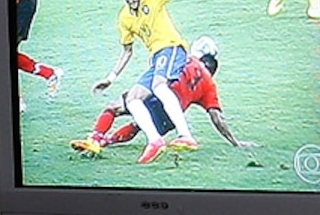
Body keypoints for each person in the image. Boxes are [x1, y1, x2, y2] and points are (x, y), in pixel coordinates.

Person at [74, 0, 214, 157]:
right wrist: (110, 77)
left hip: (172, 47)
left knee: (158, 86)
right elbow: (127, 51)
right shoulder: (124, 17)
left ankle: (185, 135)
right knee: (133, 98)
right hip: (156, 58)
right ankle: (155, 140)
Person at [93, 38, 247, 164]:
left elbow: (160, 64)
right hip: (171, 115)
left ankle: (97, 138)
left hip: (157, 93)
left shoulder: (185, 58)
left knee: (114, 108)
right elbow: (217, 118)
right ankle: (109, 141)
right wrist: (235, 142)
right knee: (137, 125)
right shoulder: (209, 85)